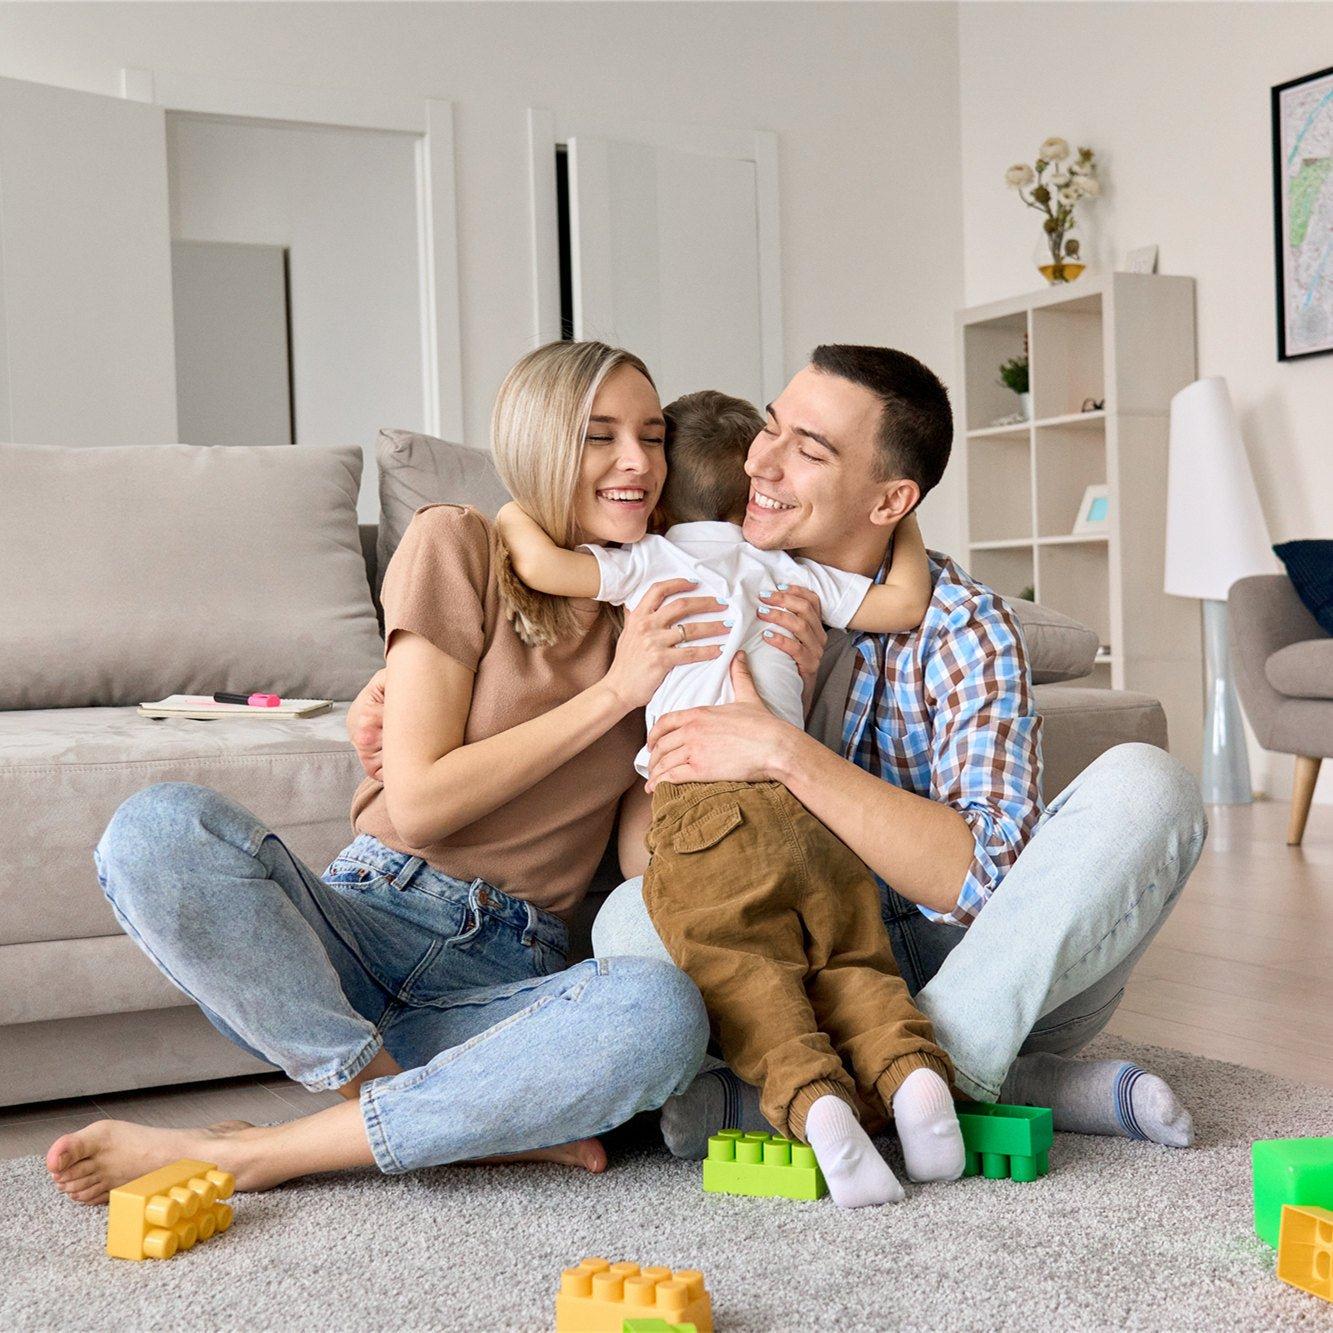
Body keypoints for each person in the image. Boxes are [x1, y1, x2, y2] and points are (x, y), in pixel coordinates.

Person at [45, 340, 717, 1205]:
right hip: (362, 929)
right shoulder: (459, 542)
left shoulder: (661, 610)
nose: (638, 463)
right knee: (158, 827)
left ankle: (272, 1151)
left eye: (653, 437)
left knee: (658, 1009)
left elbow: (636, 859)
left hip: (503, 974)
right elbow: (423, 803)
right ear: (541, 444)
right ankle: (429, 1115)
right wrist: (614, 692)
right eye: (601, 435)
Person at [588, 344, 1207, 1158]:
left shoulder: (963, 626)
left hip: (981, 971)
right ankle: (975, 1087)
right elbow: (651, 855)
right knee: (626, 919)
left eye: (809, 450)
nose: (760, 462)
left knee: (1150, 785)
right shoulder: (703, 592)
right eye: (770, 428)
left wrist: (784, 749)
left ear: (891, 500)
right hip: (793, 968)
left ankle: (894, 1073)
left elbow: (982, 879)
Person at [495, 389, 964, 1208]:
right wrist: (906, 517)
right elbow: (903, 602)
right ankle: (912, 1076)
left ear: (660, 501)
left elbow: (541, 566)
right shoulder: (792, 573)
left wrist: (506, 512)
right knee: (848, 957)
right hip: (807, 798)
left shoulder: (651, 561)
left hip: (702, 803)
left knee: (743, 971)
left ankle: (813, 1100)